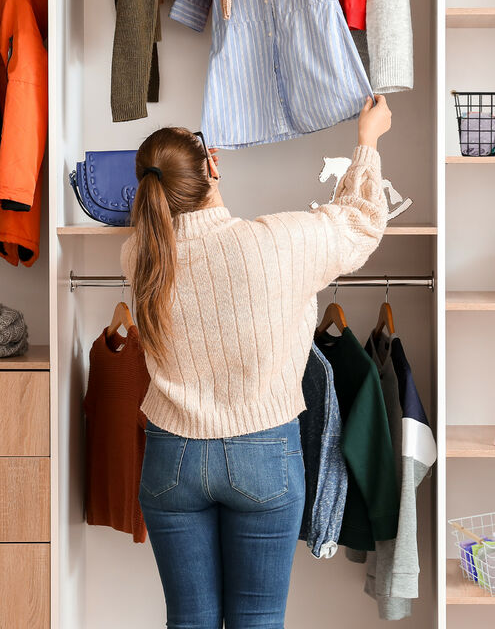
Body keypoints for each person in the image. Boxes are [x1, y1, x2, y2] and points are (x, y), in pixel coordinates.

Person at [121, 95, 392, 629]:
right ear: (212, 165)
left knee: (189, 620)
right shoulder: (278, 243)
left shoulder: (139, 257)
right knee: (259, 620)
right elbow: (360, 224)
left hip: (170, 459)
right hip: (263, 455)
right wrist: (368, 142)